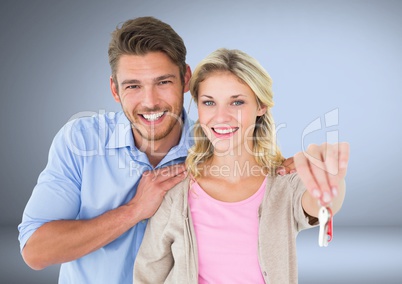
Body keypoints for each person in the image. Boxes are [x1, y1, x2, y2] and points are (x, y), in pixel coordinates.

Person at [17, 17, 295, 283]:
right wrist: (134, 210)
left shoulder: (218, 145)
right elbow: (35, 251)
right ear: (115, 89)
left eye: (163, 82)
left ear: (186, 79)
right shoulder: (81, 141)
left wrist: (299, 171)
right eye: (133, 86)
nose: (150, 102)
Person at [133, 48, 350, 283]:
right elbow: (148, 273)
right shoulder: (176, 191)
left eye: (236, 102)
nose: (221, 116)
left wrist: (330, 179)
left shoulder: (284, 183)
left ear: (261, 106)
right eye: (209, 102)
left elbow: (320, 205)